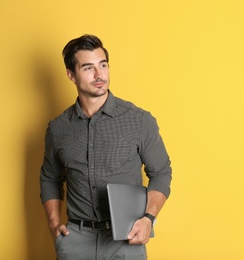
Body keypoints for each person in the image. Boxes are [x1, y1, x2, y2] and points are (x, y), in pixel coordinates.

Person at [39, 34, 172, 260]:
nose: (99, 75)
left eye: (103, 65)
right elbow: (50, 177)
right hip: (76, 240)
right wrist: (54, 224)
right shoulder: (58, 128)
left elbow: (161, 172)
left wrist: (148, 219)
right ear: (71, 75)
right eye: (88, 68)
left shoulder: (139, 120)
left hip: (126, 238)